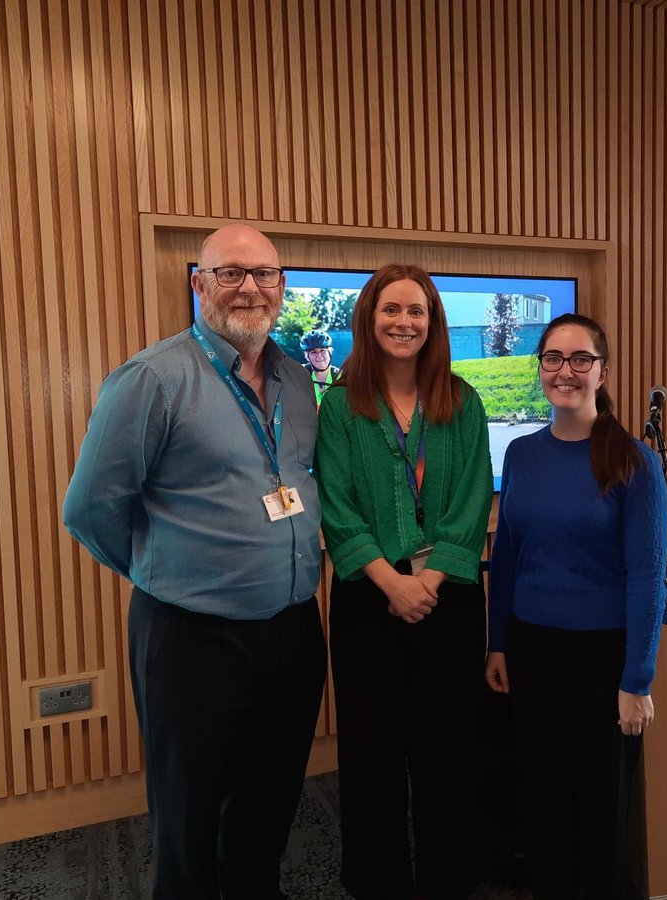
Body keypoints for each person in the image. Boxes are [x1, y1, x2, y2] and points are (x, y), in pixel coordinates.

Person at [63, 223, 326, 899]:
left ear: (282, 287)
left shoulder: (298, 381)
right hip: (191, 640)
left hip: (293, 631)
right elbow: (90, 508)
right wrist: (169, 573)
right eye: (230, 272)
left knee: (269, 813)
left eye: (264, 274)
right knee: (187, 819)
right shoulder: (152, 378)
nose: (249, 287)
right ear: (199, 283)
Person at [314, 263, 493, 900]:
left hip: (450, 601)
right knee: (372, 755)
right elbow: (334, 505)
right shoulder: (338, 407)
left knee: (449, 752)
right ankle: (378, 881)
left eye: (416, 312)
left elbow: (474, 500)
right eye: (391, 310)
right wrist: (392, 582)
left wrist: (432, 577)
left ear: (433, 323)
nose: (404, 322)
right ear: (369, 319)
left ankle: (450, 878)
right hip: (369, 601)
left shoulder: (463, 399)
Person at [484, 312, 667, 900]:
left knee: (600, 800)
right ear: (539, 369)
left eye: (580, 359)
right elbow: (508, 554)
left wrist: (637, 679)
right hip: (532, 646)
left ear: (602, 371)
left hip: (603, 656)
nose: (565, 370)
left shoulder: (635, 461)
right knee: (541, 791)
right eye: (553, 359)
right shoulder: (521, 455)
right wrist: (498, 641)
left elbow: (648, 575)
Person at [301, 329, 341, 407]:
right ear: (307, 356)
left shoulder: (340, 377)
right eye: (313, 352)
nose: (319, 356)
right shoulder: (300, 373)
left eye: (323, 351)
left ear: (330, 352)